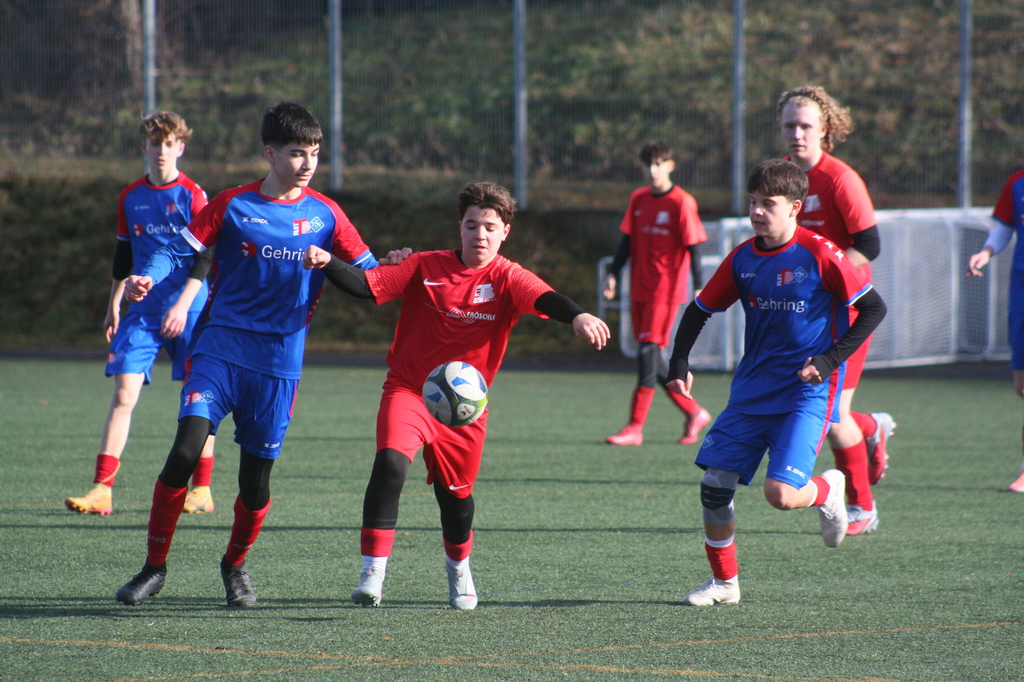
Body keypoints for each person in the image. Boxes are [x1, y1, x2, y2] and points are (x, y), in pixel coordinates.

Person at [114, 102, 409, 608]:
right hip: (221, 348)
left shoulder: (326, 214)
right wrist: (147, 275)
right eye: (296, 153)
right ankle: (153, 567)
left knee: (254, 481)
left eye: (314, 153)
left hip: (278, 364)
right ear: (270, 154)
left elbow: (369, 276)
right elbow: (179, 250)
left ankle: (234, 566)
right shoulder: (231, 204)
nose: (308, 163)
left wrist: (395, 264)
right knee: (185, 450)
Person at [303, 181, 611, 610]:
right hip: (410, 389)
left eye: (490, 227)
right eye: (471, 225)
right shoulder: (423, 266)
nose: (479, 235)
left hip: (464, 410)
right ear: (459, 228)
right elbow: (367, 285)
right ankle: (373, 573)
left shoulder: (508, 277)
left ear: (505, 232)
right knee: (390, 465)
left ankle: (459, 568)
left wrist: (577, 316)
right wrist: (328, 262)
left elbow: (545, 297)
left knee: (455, 498)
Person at [665, 159, 886, 606]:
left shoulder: (821, 253)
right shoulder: (743, 258)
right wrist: (679, 362)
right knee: (715, 485)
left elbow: (873, 309)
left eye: (768, 203)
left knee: (781, 495)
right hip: (751, 391)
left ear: (795, 207)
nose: (757, 212)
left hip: (806, 392)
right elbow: (699, 310)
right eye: (752, 202)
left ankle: (829, 489)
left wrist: (829, 359)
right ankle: (725, 583)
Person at [65, 110, 217, 517]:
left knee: (198, 398)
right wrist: (114, 305)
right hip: (143, 309)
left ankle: (202, 489)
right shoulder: (130, 196)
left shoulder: (193, 195)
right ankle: (102, 489)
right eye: (155, 143)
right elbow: (123, 255)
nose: (161, 151)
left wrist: (182, 305)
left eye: (169, 144)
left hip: (189, 308)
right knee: (123, 395)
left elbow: (204, 259)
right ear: (144, 147)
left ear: (181, 148)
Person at [777, 85, 895, 536]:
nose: (797, 134)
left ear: (825, 129)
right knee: (825, 411)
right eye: (789, 125)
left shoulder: (841, 179)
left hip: (849, 310)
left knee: (831, 418)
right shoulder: (782, 176)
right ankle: (871, 427)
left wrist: (827, 274)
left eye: (805, 126)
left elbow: (869, 244)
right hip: (806, 313)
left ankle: (862, 506)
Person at [603, 142, 712, 446]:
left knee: (647, 354)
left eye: (659, 164)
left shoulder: (681, 202)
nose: (653, 170)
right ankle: (694, 412)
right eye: (648, 164)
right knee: (654, 360)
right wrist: (613, 273)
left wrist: (699, 285)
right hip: (639, 287)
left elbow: (694, 246)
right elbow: (626, 241)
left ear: (670, 166)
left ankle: (635, 427)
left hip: (665, 290)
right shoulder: (638, 198)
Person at [967, 169, 1024, 492]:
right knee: (1022, 386)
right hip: (1021, 292)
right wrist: (986, 252)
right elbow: (1006, 226)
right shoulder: (1017, 182)